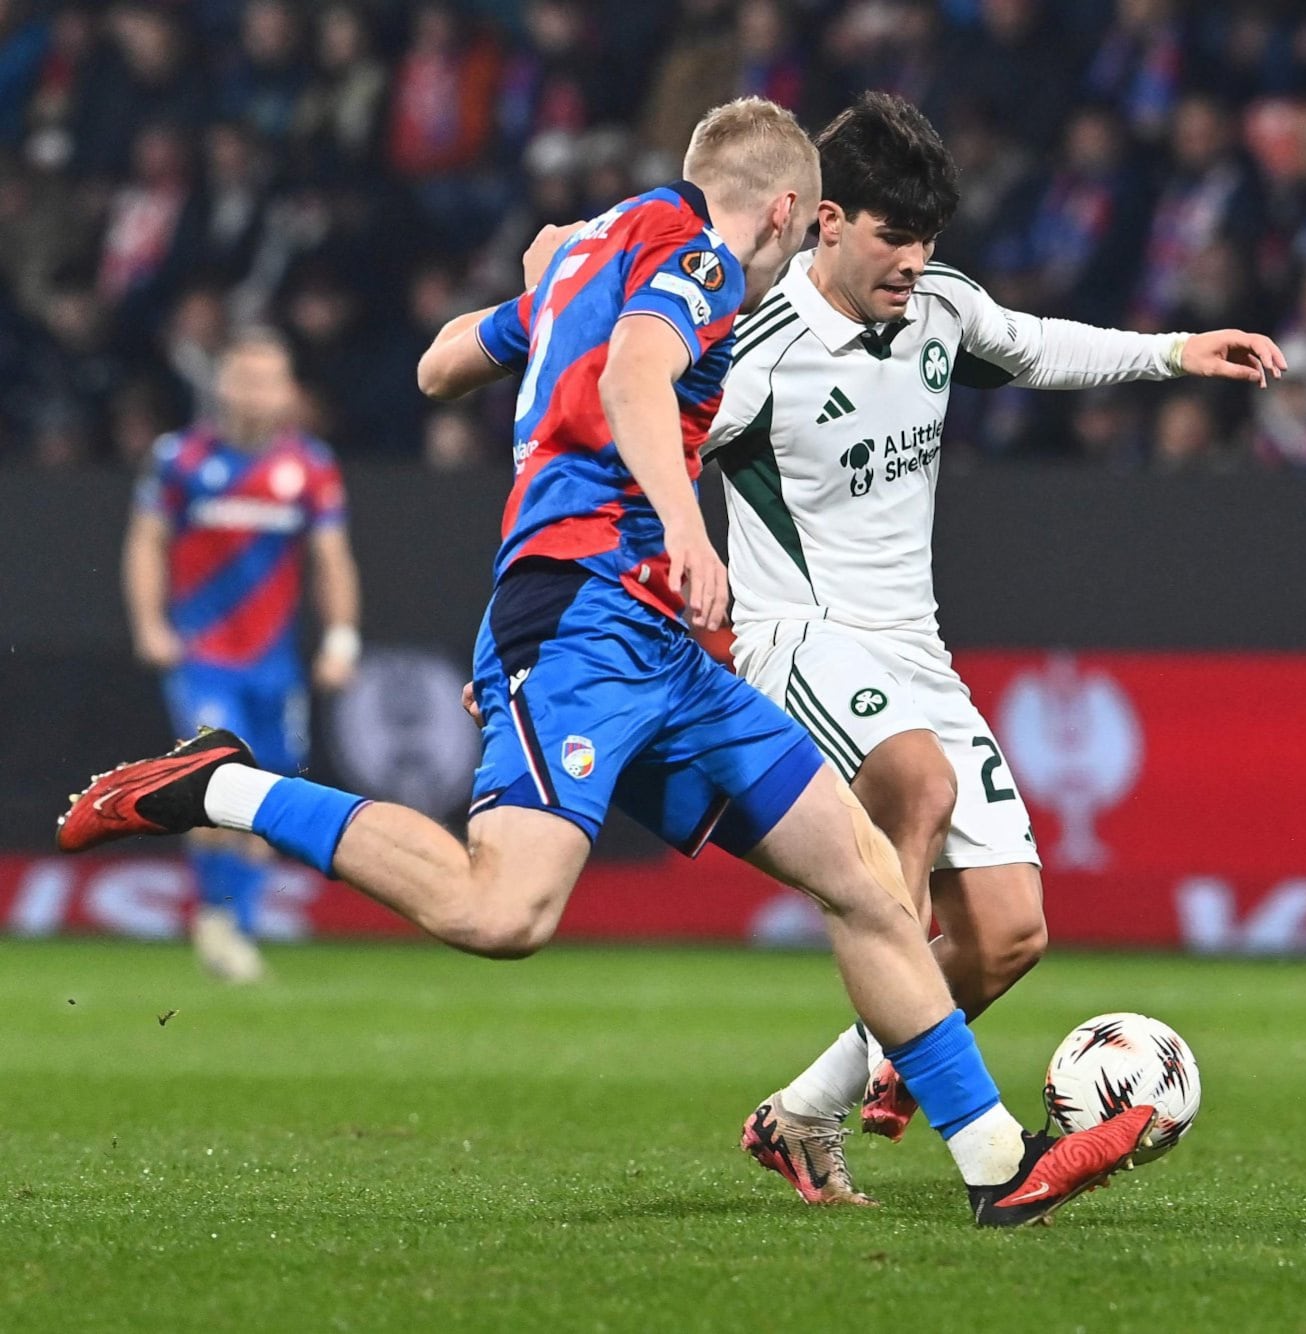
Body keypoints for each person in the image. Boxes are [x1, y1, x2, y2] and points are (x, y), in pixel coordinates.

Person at [58, 96, 1156, 1228]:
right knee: (503, 913)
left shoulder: (597, 248)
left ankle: (995, 1167)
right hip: (578, 617)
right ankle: (218, 781)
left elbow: (441, 366)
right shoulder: (701, 260)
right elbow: (638, 372)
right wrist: (683, 522)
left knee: (869, 876)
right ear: (785, 209)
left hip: (660, 646)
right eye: (796, 231)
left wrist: (546, 300)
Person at [709, 92, 1284, 1206]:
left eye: (928, 239)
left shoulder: (937, 307)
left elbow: (1037, 349)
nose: (913, 262)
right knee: (914, 780)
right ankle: (924, 1073)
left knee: (1012, 932)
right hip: (797, 636)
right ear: (825, 221)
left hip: (914, 653)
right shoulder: (755, 350)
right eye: (892, 235)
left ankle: (809, 1108)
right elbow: (635, 448)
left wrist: (1175, 350)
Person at [122, 329, 360, 982]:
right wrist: (150, 624)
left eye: (269, 380)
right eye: (245, 379)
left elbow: (331, 560)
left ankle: (240, 928)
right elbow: (146, 541)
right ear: (221, 385)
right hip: (204, 658)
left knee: (270, 794)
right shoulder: (180, 459)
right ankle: (218, 919)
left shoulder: (308, 466)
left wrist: (340, 639)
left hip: (274, 664)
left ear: (288, 390)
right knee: (214, 779)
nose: (256, 394)